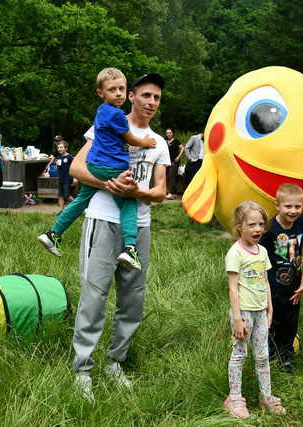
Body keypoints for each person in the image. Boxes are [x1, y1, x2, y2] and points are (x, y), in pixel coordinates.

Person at [68, 72, 169, 403]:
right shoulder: (107, 121)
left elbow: (161, 190)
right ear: (131, 96)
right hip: (102, 219)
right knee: (94, 295)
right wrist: (108, 184)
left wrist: (136, 190)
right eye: (145, 95)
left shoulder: (159, 142)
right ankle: (83, 369)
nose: (151, 102)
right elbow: (77, 169)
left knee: (132, 299)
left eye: (156, 97)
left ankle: (115, 362)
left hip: (139, 227)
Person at [38, 67, 157, 270]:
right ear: (100, 93)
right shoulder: (118, 115)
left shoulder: (101, 110)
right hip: (112, 167)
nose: (118, 93)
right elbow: (131, 139)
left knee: (81, 199)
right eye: (112, 90)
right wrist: (145, 142)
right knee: (128, 202)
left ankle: (54, 233)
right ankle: (130, 248)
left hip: (94, 165)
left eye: (121, 88)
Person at [224, 200, 286, 419]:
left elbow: (266, 281)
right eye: (251, 224)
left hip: (261, 312)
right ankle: (234, 398)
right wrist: (238, 319)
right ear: (240, 226)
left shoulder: (262, 252)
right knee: (240, 354)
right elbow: (233, 289)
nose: (257, 229)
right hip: (243, 313)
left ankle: (265, 396)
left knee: (262, 355)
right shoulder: (235, 253)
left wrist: (270, 309)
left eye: (261, 224)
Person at [259, 183, 303, 374]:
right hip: (273, 286)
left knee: (291, 323)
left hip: (294, 285)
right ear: (277, 205)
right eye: (288, 206)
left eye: (297, 206)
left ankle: (286, 359)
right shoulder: (269, 228)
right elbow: (261, 258)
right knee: (272, 321)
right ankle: (269, 356)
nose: (293, 211)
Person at [53, 139, 74, 211]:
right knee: (60, 196)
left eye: (61, 147)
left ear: (66, 148)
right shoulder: (58, 157)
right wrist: (57, 166)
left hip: (67, 179)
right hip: (61, 178)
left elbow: (74, 166)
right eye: (58, 147)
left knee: (66, 195)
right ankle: (61, 211)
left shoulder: (69, 157)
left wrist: (75, 177)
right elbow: (58, 169)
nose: (59, 149)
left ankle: (77, 205)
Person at [164, 128, 183, 199]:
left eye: (170, 133)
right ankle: (173, 192)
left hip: (174, 161)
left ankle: (171, 193)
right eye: (167, 133)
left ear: (172, 133)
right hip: (166, 161)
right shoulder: (165, 141)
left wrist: (178, 156)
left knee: (171, 175)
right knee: (168, 176)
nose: (168, 134)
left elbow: (182, 148)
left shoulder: (176, 141)